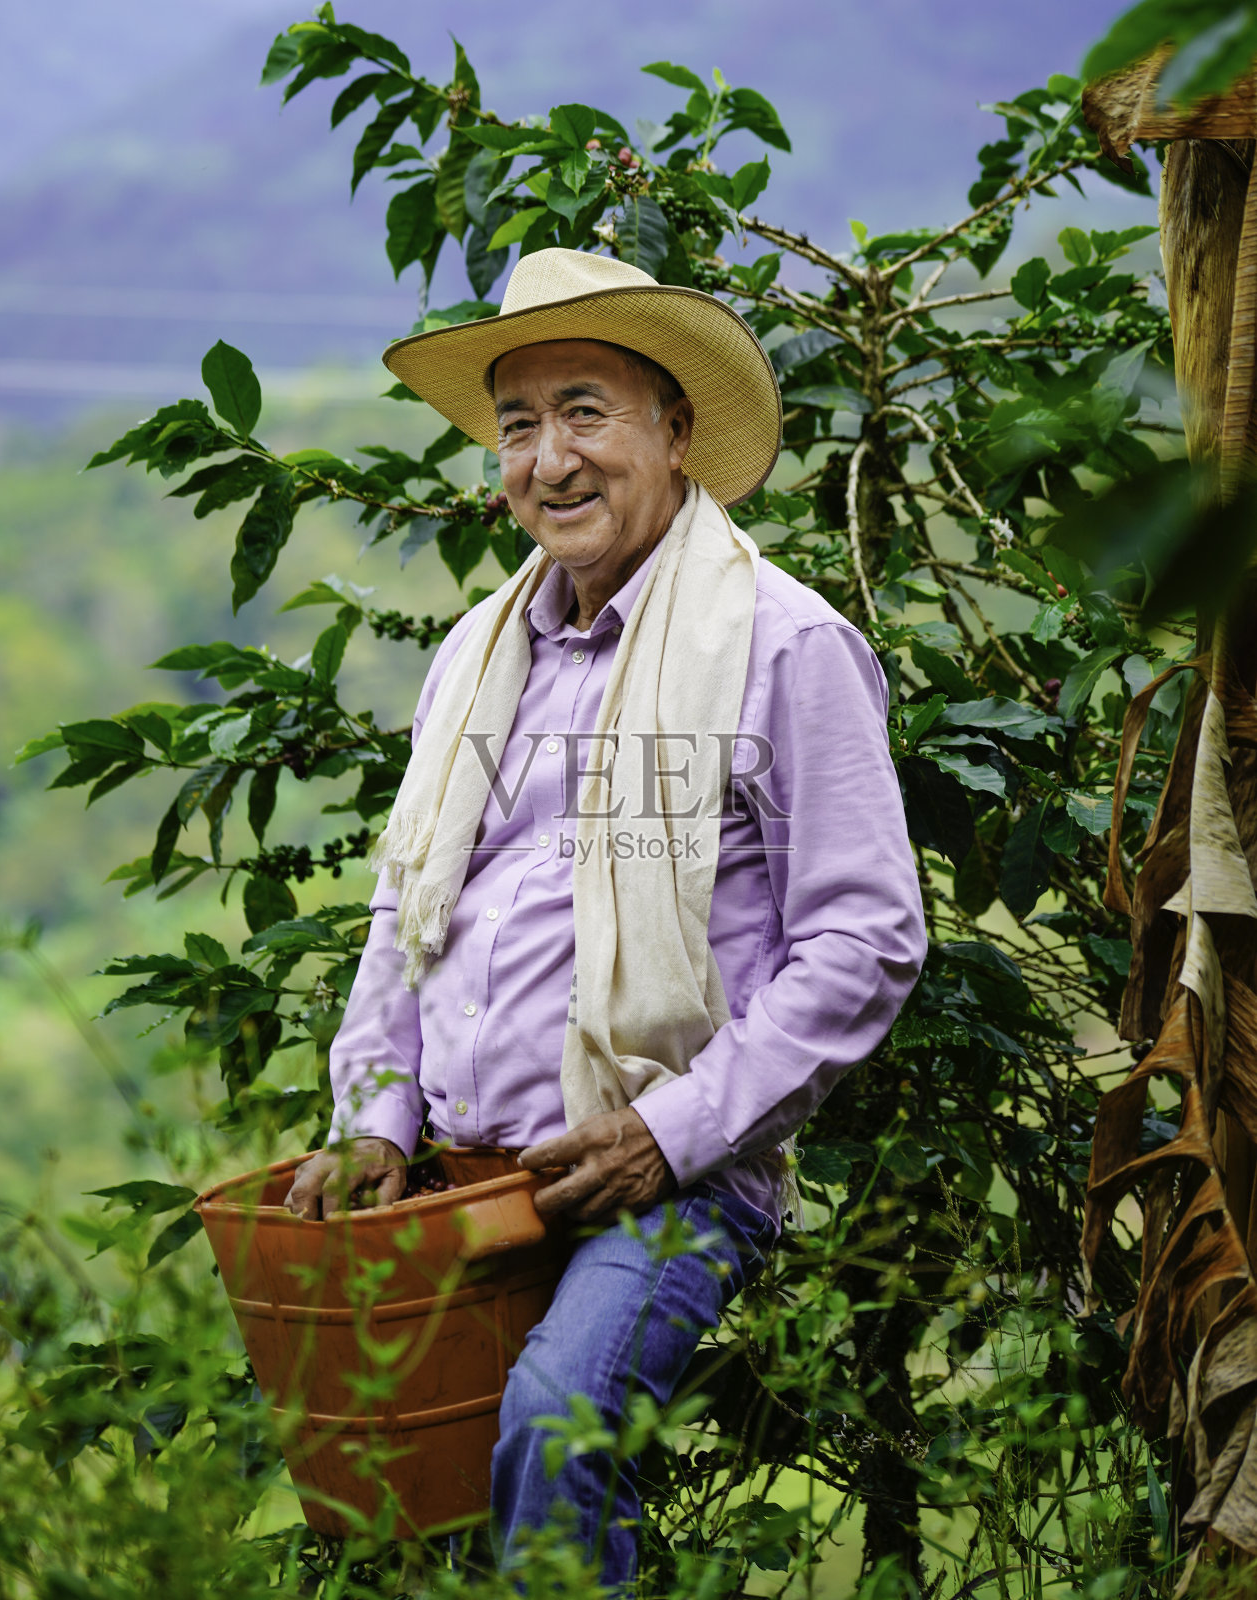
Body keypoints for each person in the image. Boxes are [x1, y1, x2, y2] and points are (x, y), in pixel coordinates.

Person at [284, 248, 926, 1586]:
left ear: (675, 433)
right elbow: (410, 906)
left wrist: (665, 1132)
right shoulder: (478, 654)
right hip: (466, 1175)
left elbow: (863, 939)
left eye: (587, 412)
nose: (551, 459)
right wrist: (373, 1118)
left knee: (554, 1426)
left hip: (668, 1180)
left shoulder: (780, 644)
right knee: (402, 1485)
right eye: (518, 424)